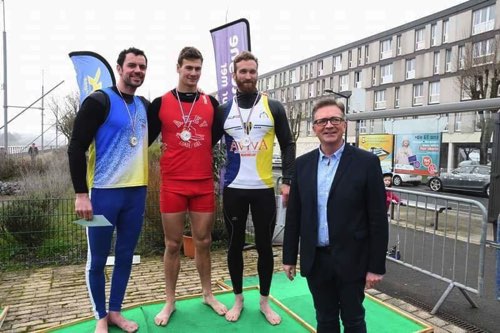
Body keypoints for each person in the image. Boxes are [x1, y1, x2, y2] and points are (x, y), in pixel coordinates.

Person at [282, 97, 388, 333]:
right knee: (325, 319)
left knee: (353, 320)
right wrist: (289, 256)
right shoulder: (303, 165)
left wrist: (376, 266)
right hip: (316, 260)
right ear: (314, 128)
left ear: (344, 124)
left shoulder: (367, 163)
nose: (328, 125)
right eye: (322, 121)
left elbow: (378, 218)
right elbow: (295, 215)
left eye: (334, 119)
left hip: (353, 259)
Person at [68, 47, 149, 333]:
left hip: (136, 194)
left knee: (125, 255)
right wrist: (81, 193)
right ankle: (100, 315)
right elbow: (76, 147)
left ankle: (115, 311)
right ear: (119, 68)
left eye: (142, 66)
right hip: (102, 195)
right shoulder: (98, 100)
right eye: (132, 65)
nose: (137, 71)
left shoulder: (144, 105)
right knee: (98, 259)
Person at [213, 51, 296, 325]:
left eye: (252, 71)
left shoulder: (273, 106)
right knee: (234, 245)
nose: (247, 76)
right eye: (242, 72)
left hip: (263, 189)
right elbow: (205, 143)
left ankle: (264, 301)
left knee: (264, 246)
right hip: (234, 189)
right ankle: (237, 299)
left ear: (257, 73)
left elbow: (288, 144)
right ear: (234, 75)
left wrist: (288, 181)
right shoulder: (223, 110)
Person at [147, 46, 227, 327]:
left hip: (203, 183)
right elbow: (143, 140)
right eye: (188, 68)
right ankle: (170, 301)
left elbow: (213, 137)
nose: (193, 73)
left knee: (204, 242)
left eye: (197, 69)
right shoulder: (160, 103)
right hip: (173, 185)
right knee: (172, 244)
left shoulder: (211, 104)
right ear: (178, 67)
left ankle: (207, 293)